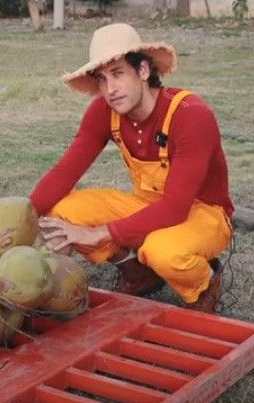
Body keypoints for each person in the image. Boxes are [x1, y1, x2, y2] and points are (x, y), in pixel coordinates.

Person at [30, 23, 233, 313]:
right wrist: (23, 216)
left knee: (162, 250)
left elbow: (176, 207)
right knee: (62, 215)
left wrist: (101, 233)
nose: (110, 90)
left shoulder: (190, 115)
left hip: (203, 214)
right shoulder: (104, 112)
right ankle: (138, 274)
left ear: (143, 71)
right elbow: (65, 173)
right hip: (146, 205)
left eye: (117, 73)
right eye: (101, 79)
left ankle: (206, 285)